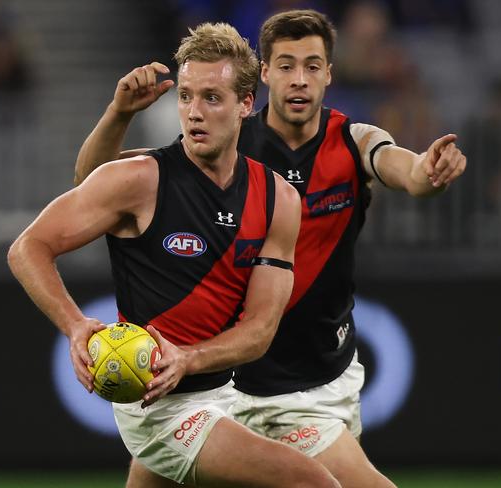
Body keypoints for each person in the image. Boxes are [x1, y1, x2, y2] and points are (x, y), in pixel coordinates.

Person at [74, 10, 467, 488]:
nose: (299, 80)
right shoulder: (225, 140)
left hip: (308, 386)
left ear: (329, 74)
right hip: (218, 385)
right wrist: (118, 114)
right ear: (262, 76)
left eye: (312, 65)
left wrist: (427, 172)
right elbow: (96, 186)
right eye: (285, 65)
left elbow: (404, 170)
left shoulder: (353, 140)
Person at [9, 22, 341, 488]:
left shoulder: (277, 200)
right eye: (185, 96)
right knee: (315, 484)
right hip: (158, 406)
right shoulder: (142, 178)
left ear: (246, 104)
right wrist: (75, 324)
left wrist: (189, 358)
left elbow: (260, 331)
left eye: (212, 97)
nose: (194, 112)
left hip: (221, 391)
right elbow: (29, 247)